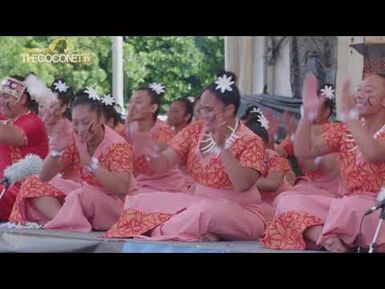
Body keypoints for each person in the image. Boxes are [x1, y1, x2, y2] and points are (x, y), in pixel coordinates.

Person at [105, 71, 273, 241]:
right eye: (201, 109)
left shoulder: (250, 140)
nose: (202, 115)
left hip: (241, 212)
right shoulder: (196, 129)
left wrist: (223, 147)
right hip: (197, 202)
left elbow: (242, 184)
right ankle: (200, 232)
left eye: (209, 110)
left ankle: (165, 230)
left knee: (203, 213)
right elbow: (165, 162)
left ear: (229, 109)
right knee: (141, 201)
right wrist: (151, 152)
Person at [261, 73, 385, 252]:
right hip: (342, 208)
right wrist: (307, 115)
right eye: (359, 89)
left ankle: (332, 234)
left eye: (368, 91)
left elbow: (372, 152)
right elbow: (304, 150)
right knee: (286, 200)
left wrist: (350, 116)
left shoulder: (352, 125)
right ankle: (327, 238)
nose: (359, 95)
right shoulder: (344, 130)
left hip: (376, 210)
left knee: (349, 207)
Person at [9, 91, 135, 232]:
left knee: (81, 195)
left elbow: (122, 189)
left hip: (113, 205)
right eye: (76, 123)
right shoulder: (73, 137)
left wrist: (90, 163)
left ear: (101, 118)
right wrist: (55, 151)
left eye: (86, 122)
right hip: (81, 196)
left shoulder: (117, 145)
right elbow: (44, 177)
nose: (81, 129)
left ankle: (68, 222)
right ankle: (64, 222)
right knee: (33, 182)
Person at [0, 75, 48, 221]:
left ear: (22, 99)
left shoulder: (33, 122)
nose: (1, 101)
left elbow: (12, 135)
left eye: (6, 97)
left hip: (22, 189)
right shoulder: (5, 119)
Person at [124, 83, 186, 194]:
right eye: (131, 101)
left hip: (167, 188)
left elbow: (149, 166)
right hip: (142, 186)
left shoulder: (164, 132)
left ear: (153, 107)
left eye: (138, 102)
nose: (132, 106)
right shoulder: (129, 129)